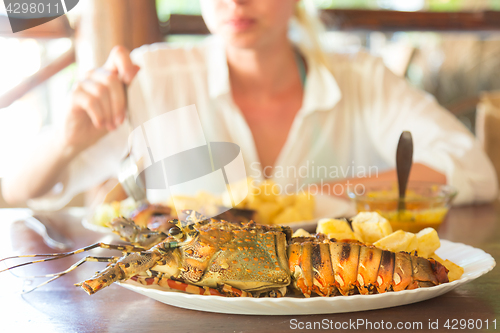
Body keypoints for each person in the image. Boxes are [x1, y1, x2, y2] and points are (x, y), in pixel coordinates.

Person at [2, 0, 497, 209]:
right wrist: (68, 141)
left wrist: (302, 200)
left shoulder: (362, 79)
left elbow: (472, 168)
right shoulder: (152, 77)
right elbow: (20, 193)